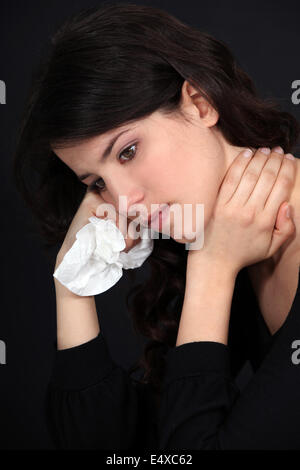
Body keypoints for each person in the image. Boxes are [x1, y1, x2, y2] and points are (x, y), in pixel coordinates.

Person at [13, 3, 300, 449]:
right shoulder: (230, 237)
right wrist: (71, 284)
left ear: (200, 104)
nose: (124, 202)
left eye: (127, 151)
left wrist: (212, 266)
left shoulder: (222, 250)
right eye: (97, 182)